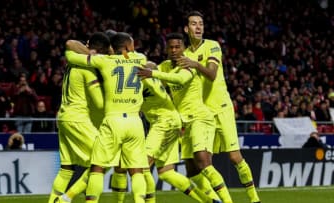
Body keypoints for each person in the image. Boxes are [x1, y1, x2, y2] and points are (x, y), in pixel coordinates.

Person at [178, 11, 260, 203]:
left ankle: (254, 199)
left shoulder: (212, 46)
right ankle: (220, 200)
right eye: (193, 24)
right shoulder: (184, 54)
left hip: (221, 108)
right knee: (204, 162)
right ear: (186, 28)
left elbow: (212, 74)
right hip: (201, 114)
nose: (198, 27)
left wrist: (194, 64)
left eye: (201, 24)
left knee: (234, 157)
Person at [138, 32, 225, 203]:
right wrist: (150, 67)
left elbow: (177, 79)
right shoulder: (160, 67)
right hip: (175, 120)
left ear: (184, 48)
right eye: (170, 47)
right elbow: (152, 65)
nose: (174, 50)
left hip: (177, 121)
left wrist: (152, 73)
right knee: (166, 173)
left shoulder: (188, 65)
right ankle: (211, 201)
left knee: (142, 168)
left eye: (178, 46)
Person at [64, 32, 148, 203]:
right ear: (127, 47)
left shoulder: (104, 62)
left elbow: (70, 52)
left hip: (112, 121)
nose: (134, 48)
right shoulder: (140, 58)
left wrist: (92, 54)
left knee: (97, 169)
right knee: (136, 171)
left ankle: (75, 199)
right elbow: (126, 56)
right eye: (132, 45)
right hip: (135, 122)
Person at [48, 32, 110, 203]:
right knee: (103, 161)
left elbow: (69, 44)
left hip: (63, 117)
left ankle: (53, 201)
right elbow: (98, 103)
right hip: (77, 118)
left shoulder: (73, 61)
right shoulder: (87, 68)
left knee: (66, 169)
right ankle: (66, 198)